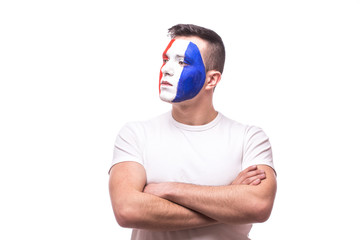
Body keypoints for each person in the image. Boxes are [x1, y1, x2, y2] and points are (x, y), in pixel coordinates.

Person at [109, 24, 277, 240]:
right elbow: (127, 210)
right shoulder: (135, 134)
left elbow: (257, 205)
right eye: (165, 60)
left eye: (182, 62)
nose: (167, 69)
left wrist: (168, 189)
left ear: (212, 79)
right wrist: (229, 201)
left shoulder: (249, 138)